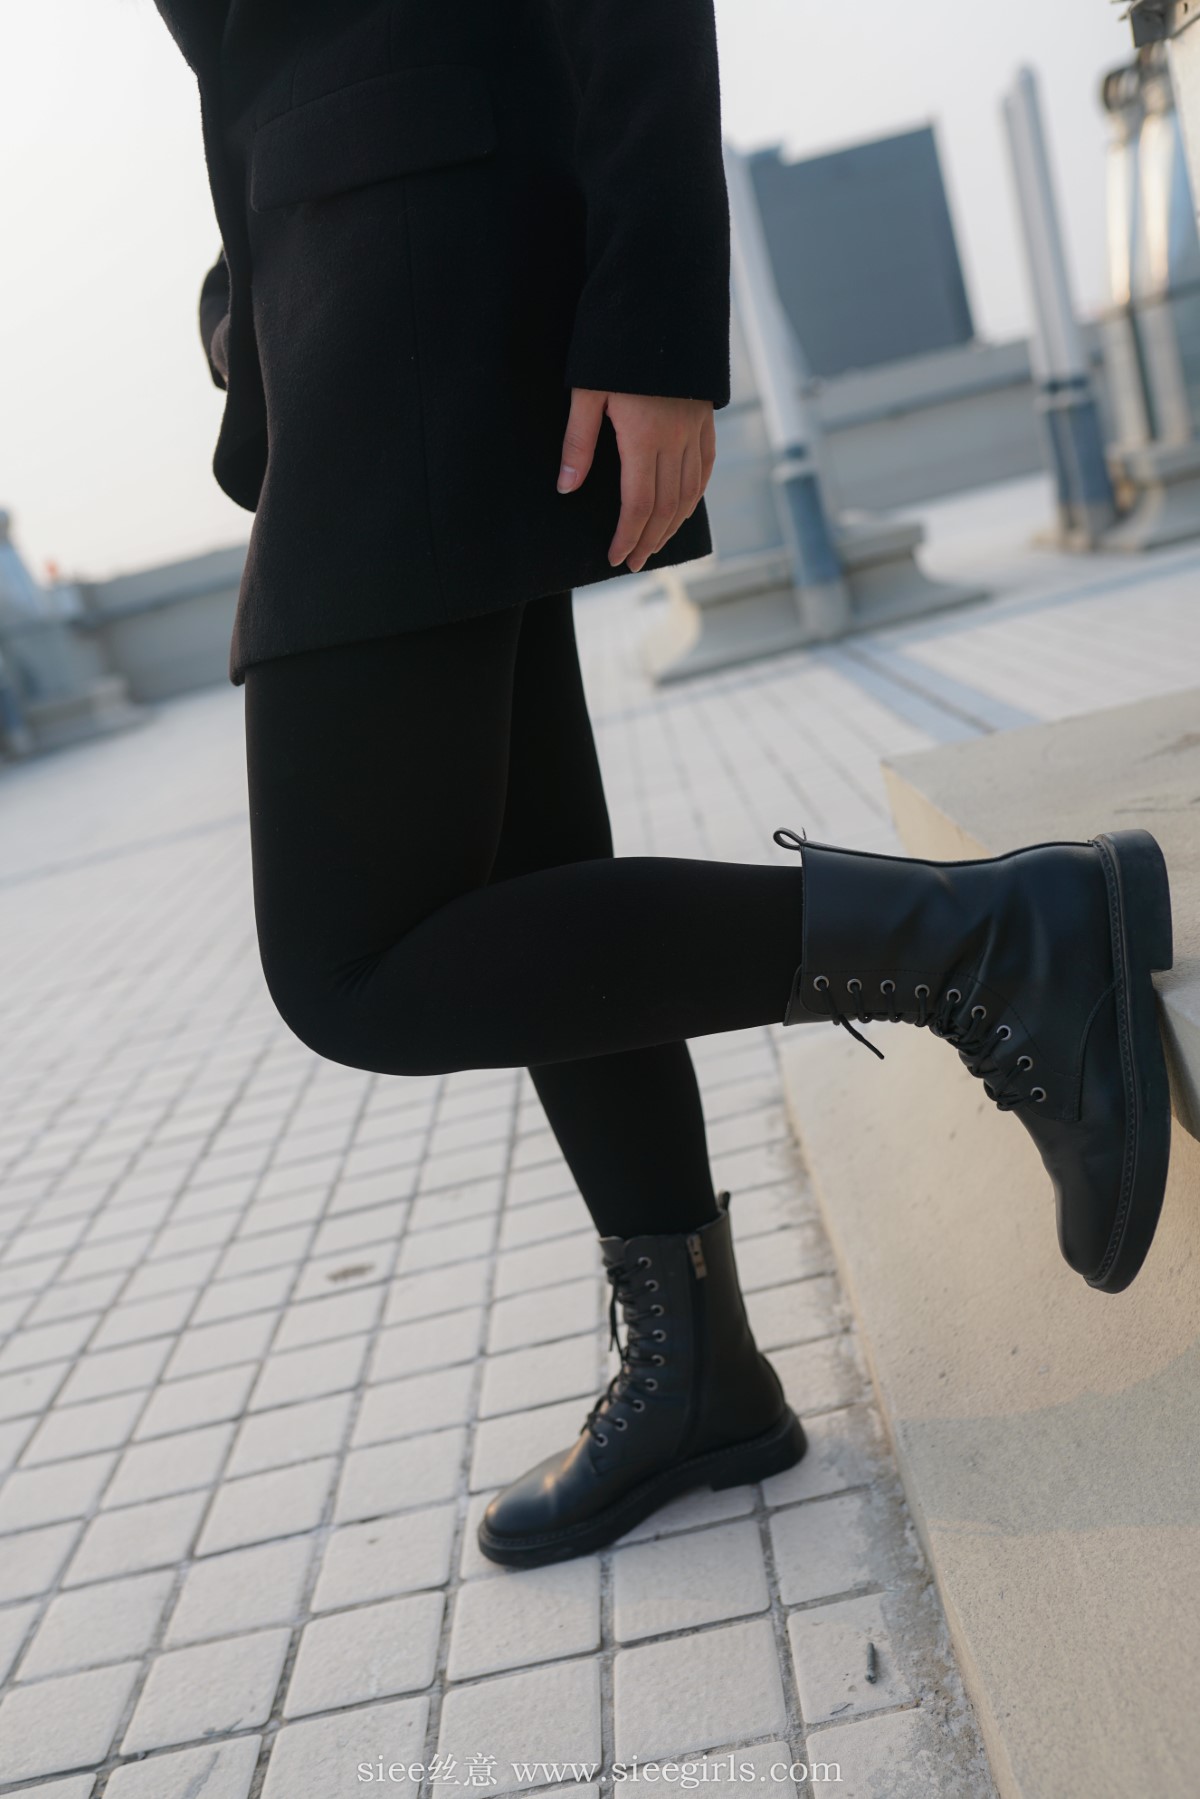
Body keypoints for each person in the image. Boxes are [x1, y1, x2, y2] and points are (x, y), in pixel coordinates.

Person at [153, 0, 1174, 1570]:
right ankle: (697, 1366)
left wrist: (652, 317)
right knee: (520, 883)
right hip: (354, 275)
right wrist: (253, 310)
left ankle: (996, 942)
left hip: (415, 259)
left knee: (350, 963)